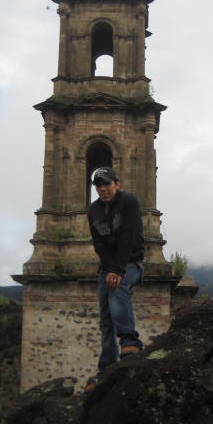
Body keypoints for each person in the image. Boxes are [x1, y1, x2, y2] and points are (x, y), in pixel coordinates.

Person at [86, 166, 144, 391]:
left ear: (117, 184)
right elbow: (99, 244)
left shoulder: (129, 202)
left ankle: (130, 341)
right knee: (105, 320)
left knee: (116, 286)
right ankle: (106, 369)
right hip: (108, 267)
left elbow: (129, 237)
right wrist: (111, 269)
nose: (103, 189)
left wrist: (118, 270)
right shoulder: (93, 211)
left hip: (132, 263)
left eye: (107, 184)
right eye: (98, 185)